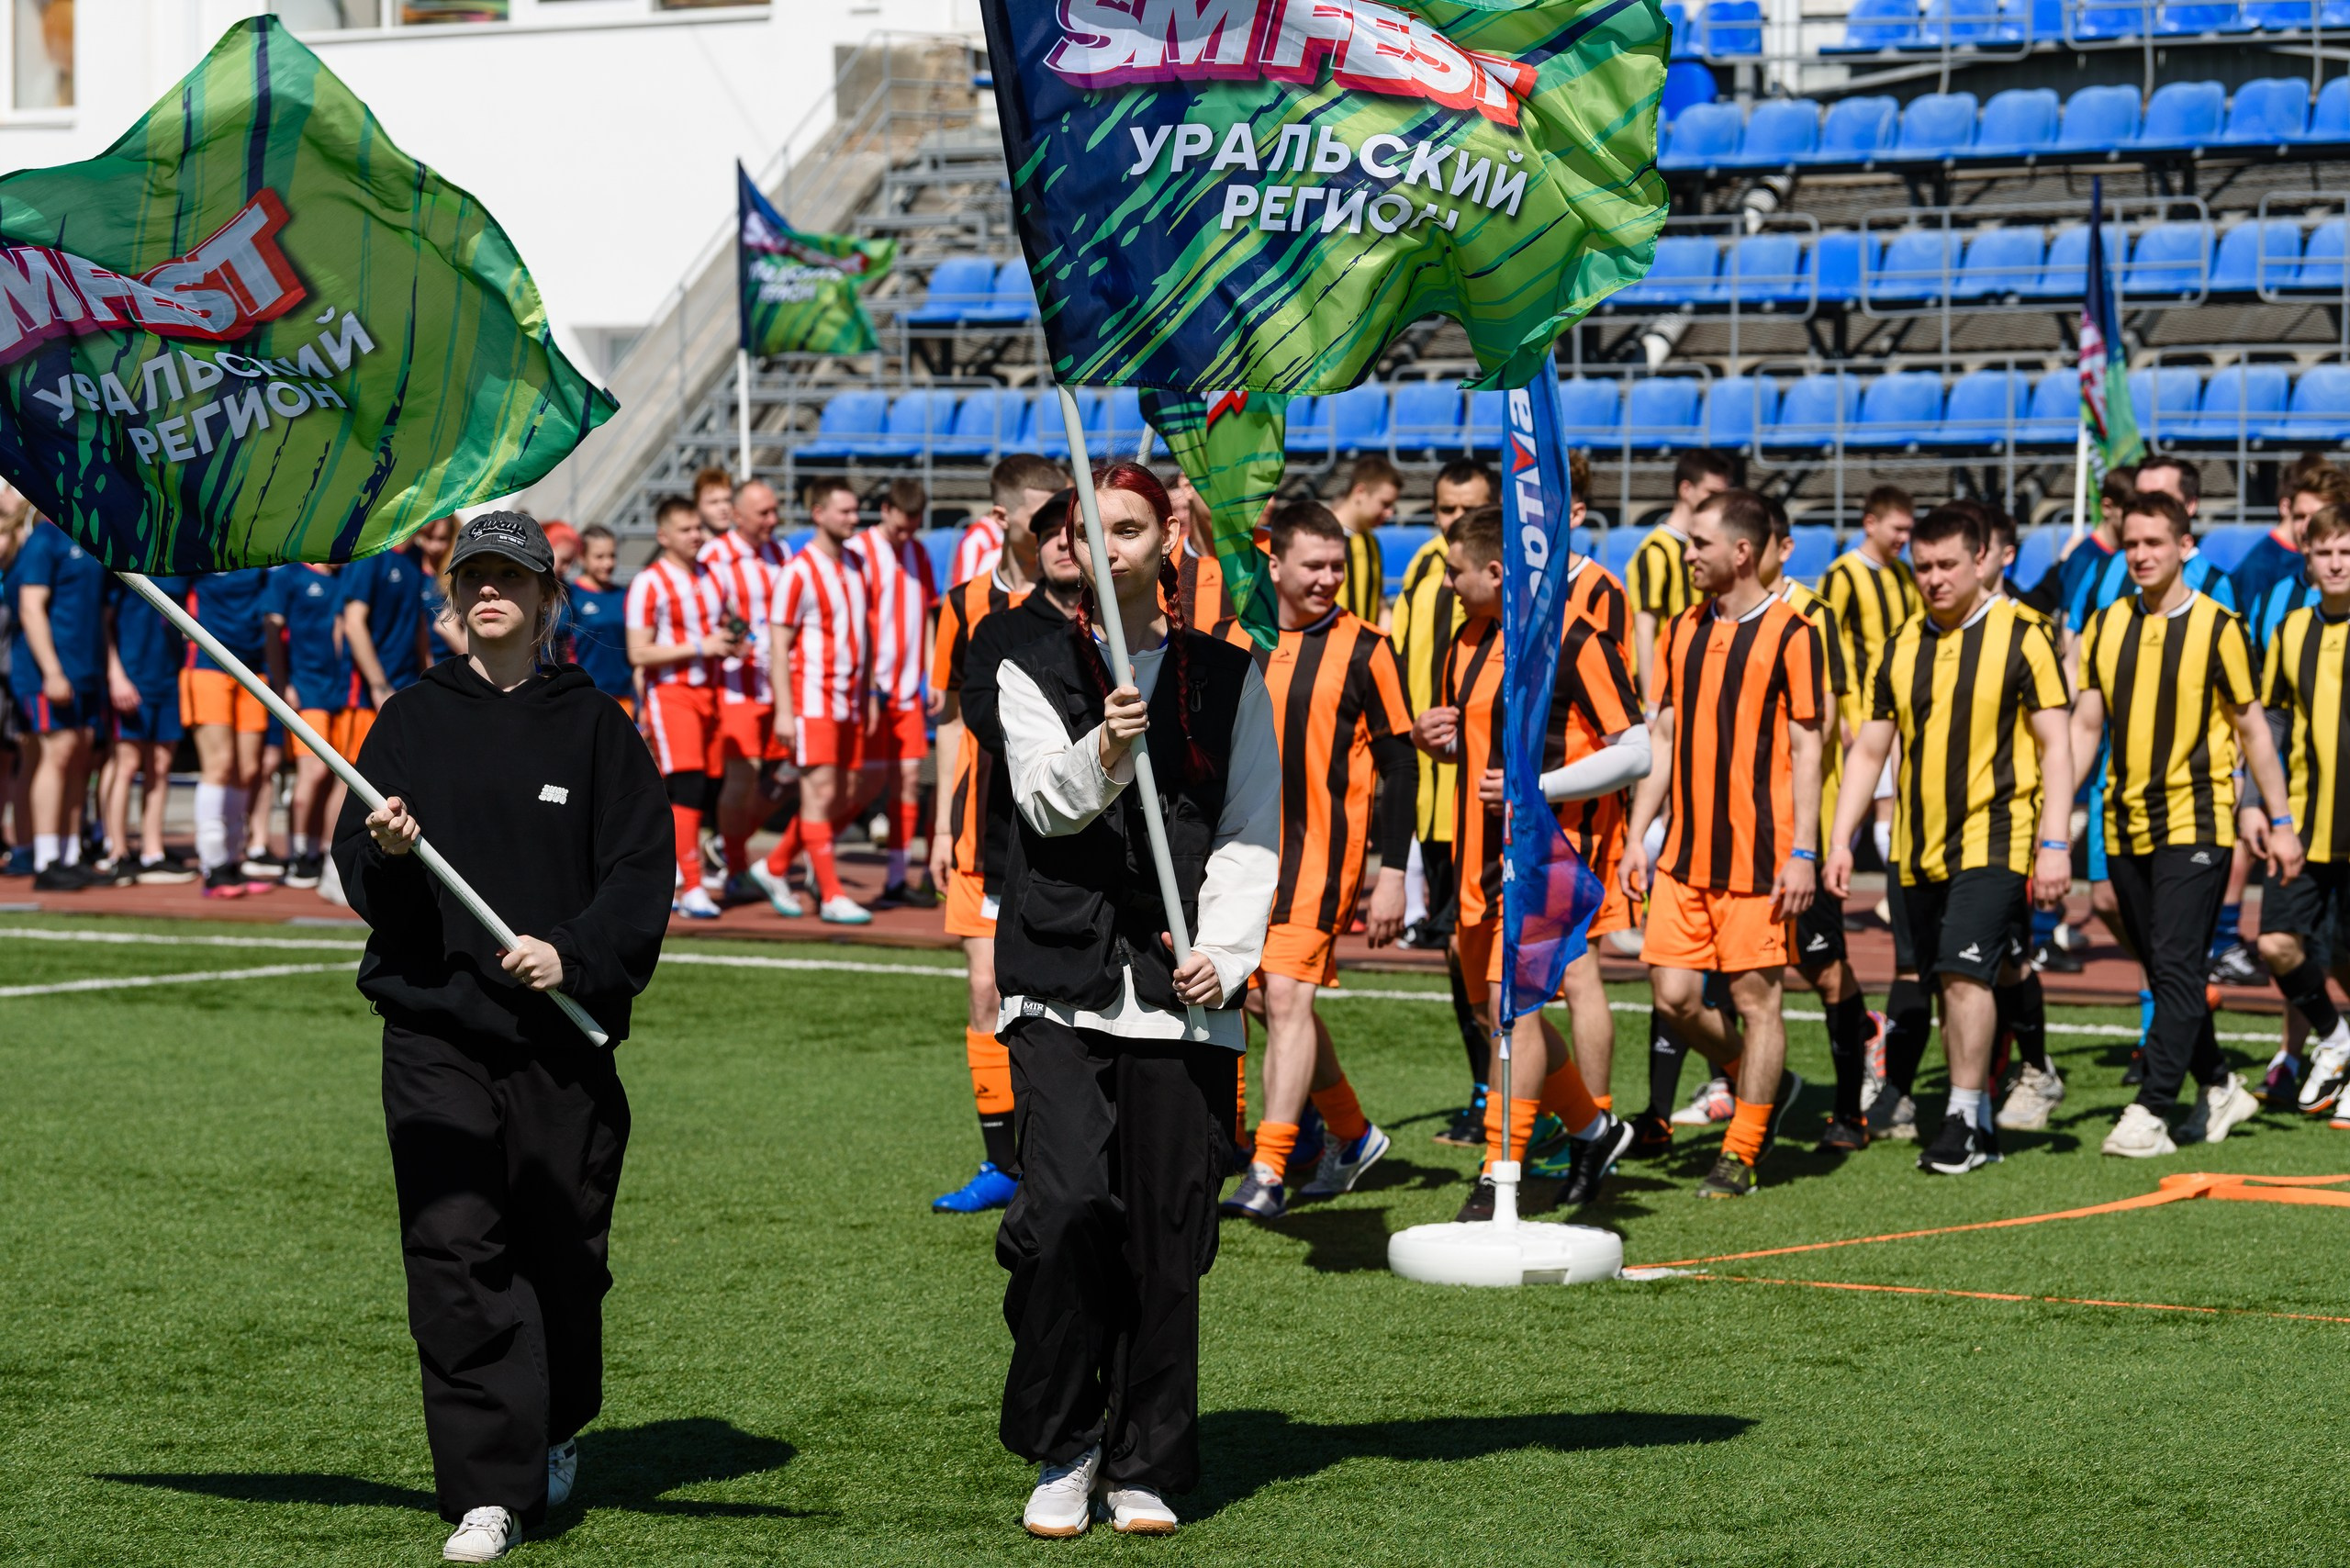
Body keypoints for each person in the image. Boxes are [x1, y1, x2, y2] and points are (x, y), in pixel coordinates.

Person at [331, 510, 670, 1566]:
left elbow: (639, 875)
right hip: (436, 1028)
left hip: (560, 1037)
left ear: (543, 600)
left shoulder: (598, 726)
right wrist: (386, 851)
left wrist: (571, 952)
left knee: (559, 1256)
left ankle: (557, 1418)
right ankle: (488, 1487)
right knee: (454, 1249)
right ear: (452, 597)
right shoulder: (410, 721)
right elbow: (360, 875)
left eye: (509, 579)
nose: (489, 593)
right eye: (472, 576)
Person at [990, 461, 1277, 1540]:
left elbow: (1251, 828)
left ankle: (1143, 1458)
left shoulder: (1223, 675)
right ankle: (1065, 1442)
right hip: (1060, 988)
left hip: (1181, 998)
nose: (1106, 545)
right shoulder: (1022, 661)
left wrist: (1227, 952)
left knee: (1169, 1237)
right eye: (1087, 529)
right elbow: (1046, 806)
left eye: (1128, 527)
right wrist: (1108, 743)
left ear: (1170, 540)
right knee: (1063, 1213)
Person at [1827, 504, 2075, 1174]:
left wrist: (2055, 843)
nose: (1934, 578)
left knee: (1966, 974)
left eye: (1946, 565)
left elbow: (2057, 746)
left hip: (1995, 836)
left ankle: (1965, 1114)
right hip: (1914, 843)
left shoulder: (2024, 633)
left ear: (1980, 561)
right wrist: (1841, 839)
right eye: (1923, 566)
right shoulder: (1901, 645)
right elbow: (1869, 750)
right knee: (1930, 977)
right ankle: (1966, 1115)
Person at [1417, 506, 1649, 1216]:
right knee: (1500, 1015)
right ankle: (1592, 1129)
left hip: (1543, 856)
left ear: (1494, 571)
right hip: (1477, 861)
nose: (1446, 581)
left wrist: (1538, 788)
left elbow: (1636, 749)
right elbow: (1488, 744)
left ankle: (1499, 1172)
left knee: (1511, 1012)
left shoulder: (1575, 640)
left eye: (1455, 570)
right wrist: (1443, 740)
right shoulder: (1467, 640)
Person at [2073, 488, 2297, 1157]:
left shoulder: (2219, 625)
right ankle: (2222, 1083)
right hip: (2122, 819)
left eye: (2155, 544)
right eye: (2132, 543)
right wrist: (2057, 821)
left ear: (2183, 548)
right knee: (2164, 968)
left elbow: (2254, 731)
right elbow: (2087, 724)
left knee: (2174, 961)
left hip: (2197, 820)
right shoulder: (2106, 624)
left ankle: (2150, 1109)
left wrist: (2276, 817)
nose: (2141, 554)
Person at [1621, 487, 1823, 1198]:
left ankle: (1740, 1152)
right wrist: (1639, 835)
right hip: (1683, 853)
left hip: (1759, 860)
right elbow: (1665, 738)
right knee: (1674, 999)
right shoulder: (1681, 628)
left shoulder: (1795, 633)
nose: (1687, 555)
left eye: (1699, 544)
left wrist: (1803, 851)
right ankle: (1757, 1081)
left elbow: (1808, 744)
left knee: (1756, 998)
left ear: (1741, 552)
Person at [1217, 500, 1413, 1221]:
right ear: (1276, 566)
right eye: (1315, 565)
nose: (1330, 578)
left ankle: (1267, 1169)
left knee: (1291, 1000)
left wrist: (1392, 871)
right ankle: (1354, 1134)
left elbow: (1401, 764)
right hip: (1236, 861)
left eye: (1338, 566)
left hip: (1319, 864)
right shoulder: (1235, 637)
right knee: (1265, 1000)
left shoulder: (1367, 648)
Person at [922, 462, 1068, 1213]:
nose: (1058, 531)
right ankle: (1000, 1160)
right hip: (982, 828)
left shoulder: (1086, 600)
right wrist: (943, 822)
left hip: (1059, 825)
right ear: (1006, 519)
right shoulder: (965, 603)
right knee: (985, 988)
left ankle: (1062, 1150)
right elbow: (949, 718)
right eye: (1043, 515)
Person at [1754, 499, 1880, 1152]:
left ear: (1778, 548)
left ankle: (1851, 1109)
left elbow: (1823, 719)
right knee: (1702, 978)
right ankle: (1736, 1090)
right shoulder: (1708, 617)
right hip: (1731, 826)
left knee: (1824, 969)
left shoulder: (1812, 615)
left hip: (1798, 819)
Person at [1387, 459, 1494, 1141]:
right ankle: (1487, 1087)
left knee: (1487, 945)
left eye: (1467, 511)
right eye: (1443, 510)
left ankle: (1521, 1095)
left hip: (1489, 788)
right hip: (1434, 789)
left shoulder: (1498, 571)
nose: (1452, 522)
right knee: (1460, 947)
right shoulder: (1425, 572)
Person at [2253, 500, 2350, 1117]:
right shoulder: (2291, 630)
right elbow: (2272, 726)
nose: (2337, 563)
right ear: (2307, 560)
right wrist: (2257, 807)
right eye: (2325, 553)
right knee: (2275, 945)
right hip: (2303, 828)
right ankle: (2336, 1038)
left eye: (2346, 551)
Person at [755, 479, 872, 924]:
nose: (853, 518)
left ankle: (775, 864)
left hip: (849, 702)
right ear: (818, 513)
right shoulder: (798, 571)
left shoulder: (855, 565)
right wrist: (786, 710)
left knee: (841, 793)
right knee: (820, 794)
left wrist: (869, 696)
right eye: (844, 510)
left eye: (855, 509)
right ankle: (831, 893)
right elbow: (778, 645)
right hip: (812, 699)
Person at [625, 494, 740, 919]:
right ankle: (691, 883)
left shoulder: (712, 576)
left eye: (698, 528)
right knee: (687, 784)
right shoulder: (650, 582)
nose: (696, 536)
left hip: (711, 691)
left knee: (707, 786)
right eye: (687, 529)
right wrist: (699, 646)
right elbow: (638, 652)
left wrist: (729, 643)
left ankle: (678, 871)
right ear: (663, 535)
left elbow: (720, 627)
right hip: (673, 693)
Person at [847, 477, 940, 908]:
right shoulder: (860, 553)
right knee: (857, 785)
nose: (906, 536)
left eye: (913, 528)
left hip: (905, 693)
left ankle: (898, 876)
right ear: (885, 510)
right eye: (901, 527)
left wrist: (931, 673)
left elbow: (925, 615)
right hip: (867, 690)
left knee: (906, 782)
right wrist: (863, 685)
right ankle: (799, 861)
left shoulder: (917, 553)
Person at [700, 478, 789, 897]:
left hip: (781, 683)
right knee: (744, 776)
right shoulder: (714, 556)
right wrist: (731, 637)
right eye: (763, 513)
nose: (773, 520)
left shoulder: (781, 551)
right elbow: (703, 614)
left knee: (789, 772)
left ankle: (723, 845)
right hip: (737, 685)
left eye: (774, 510)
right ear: (738, 515)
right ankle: (735, 865)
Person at [7, 518, 106, 890]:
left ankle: (69, 853)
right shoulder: (45, 539)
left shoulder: (90, 535)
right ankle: (46, 859)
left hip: (84, 668)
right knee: (57, 752)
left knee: (79, 755)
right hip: (49, 670)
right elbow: (31, 608)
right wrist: (52, 671)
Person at [177, 565, 275, 897]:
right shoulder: (201, 546)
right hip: (208, 665)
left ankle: (233, 860)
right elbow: (166, 587)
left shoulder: (259, 548)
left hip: (252, 667)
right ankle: (213, 865)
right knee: (219, 766)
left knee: (247, 769)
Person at [100, 572, 194, 884]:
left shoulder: (177, 564)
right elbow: (105, 622)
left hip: (167, 676)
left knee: (162, 765)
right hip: (132, 674)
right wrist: (115, 674)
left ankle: (152, 852)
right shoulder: (124, 564)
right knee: (126, 763)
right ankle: (117, 851)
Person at [262, 560, 350, 890]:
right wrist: (283, 685)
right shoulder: (290, 575)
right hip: (306, 688)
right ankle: (298, 853)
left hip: (340, 692)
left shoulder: (344, 577)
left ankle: (317, 851)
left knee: (334, 778)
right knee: (312, 773)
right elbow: (272, 628)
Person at [1627, 449, 1733, 708]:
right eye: (1712, 494)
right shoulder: (1655, 551)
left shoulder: (1710, 549)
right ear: (1686, 489)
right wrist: (1652, 704)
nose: (1720, 503)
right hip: (1665, 694)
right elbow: (1644, 629)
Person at [561, 526, 636, 714]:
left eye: (612, 556)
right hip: (585, 695)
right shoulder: (571, 596)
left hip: (624, 696)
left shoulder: (625, 595)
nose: (608, 563)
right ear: (582, 557)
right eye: (599, 557)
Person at [957, 454, 1060, 588]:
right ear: (1001, 517)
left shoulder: (1077, 591)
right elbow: (965, 585)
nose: (1062, 537)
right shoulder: (965, 600)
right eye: (1038, 518)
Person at [1328, 454, 1400, 625]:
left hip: (1363, 647)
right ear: (1360, 492)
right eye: (1385, 503)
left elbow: (1377, 599)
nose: (1390, 513)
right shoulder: (1320, 537)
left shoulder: (1371, 541)